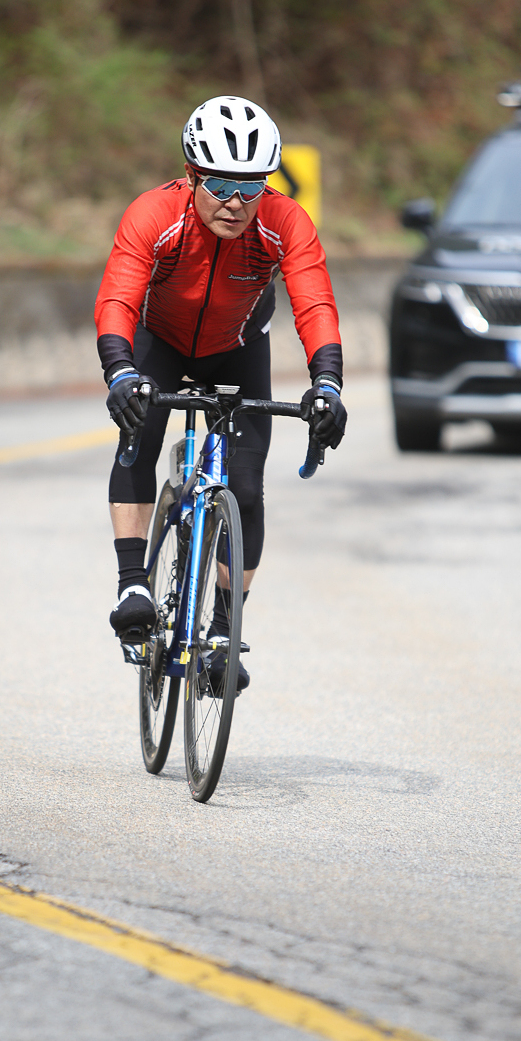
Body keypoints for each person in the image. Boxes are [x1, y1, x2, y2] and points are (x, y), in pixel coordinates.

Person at [96, 95, 349, 693]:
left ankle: (222, 632)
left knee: (247, 487)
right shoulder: (154, 213)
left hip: (238, 347)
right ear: (191, 175)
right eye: (220, 185)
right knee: (139, 434)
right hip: (160, 341)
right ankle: (132, 585)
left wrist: (328, 384)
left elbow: (314, 302)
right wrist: (120, 372)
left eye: (252, 186)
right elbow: (118, 298)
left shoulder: (284, 221)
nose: (236, 202)